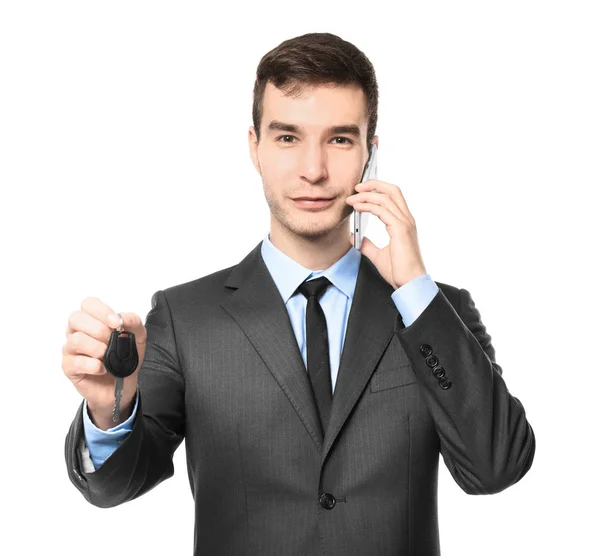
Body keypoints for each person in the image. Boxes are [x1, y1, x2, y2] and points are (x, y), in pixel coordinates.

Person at [63, 32, 535, 556]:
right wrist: (109, 411)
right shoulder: (185, 318)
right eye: (288, 137)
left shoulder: (435, 312)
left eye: (339, 139)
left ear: (369, 155)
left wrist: (417, 292)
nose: (313, 170)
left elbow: (496, 467)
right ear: (254, 148)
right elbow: (117, 485)